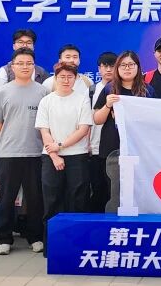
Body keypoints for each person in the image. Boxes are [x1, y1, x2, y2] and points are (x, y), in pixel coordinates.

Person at [0, 48, 50, 255]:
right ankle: (4, 239)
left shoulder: (43, 92)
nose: (25, 67)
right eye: (20, 63)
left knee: (35, 198)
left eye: (29, 63)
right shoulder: (3, 92)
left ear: (34, 66)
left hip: (35, 152)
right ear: (12, 66)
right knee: (6, 198)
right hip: (8, 153)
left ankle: (35, 237)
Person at [36, 63, 94, 251]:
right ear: (55, 78)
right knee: (52, 200)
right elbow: (44, 131)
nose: (66, 80)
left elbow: (83, 129)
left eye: (70, 77)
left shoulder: (82, 100)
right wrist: (54, 155)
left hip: (77, 156)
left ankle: (77, 245)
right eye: (62, 76)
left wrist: (60, 145)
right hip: (50, 157)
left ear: (76, 79)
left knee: (77, 200)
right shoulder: (47, 101)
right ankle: (52, 246)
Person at [93, 51, 155, 209]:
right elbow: (97, 119)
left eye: (131, 65)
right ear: (117, 68)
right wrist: (108, 105)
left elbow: (154, 120)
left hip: (139, 147)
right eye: (123, 65)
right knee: (115, 192)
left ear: (138, 67)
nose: (127, 68)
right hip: (112, 147)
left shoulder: (148, 91)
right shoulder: (109, 88)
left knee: (138, 191)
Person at [89, 52, 116, 212]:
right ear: (99, 68)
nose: (108, 70)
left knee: (114, 189)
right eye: (104, 66)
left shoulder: (120, 88)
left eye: (112, 66)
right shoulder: (91, 90)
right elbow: (88, 119)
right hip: (94, 147)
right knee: (97, 188)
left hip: (113, 147)